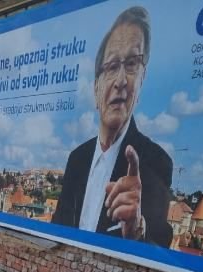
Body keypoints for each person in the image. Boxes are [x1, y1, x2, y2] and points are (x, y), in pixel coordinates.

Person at [52, 6, 173, 248]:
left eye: (131, 64)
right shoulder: (77, 159)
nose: (120, 81)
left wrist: (137, 231)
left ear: (141, 79)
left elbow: (160, 249)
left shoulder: (155, 162)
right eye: (111, 66)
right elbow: (58, 229)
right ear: (96, 88)